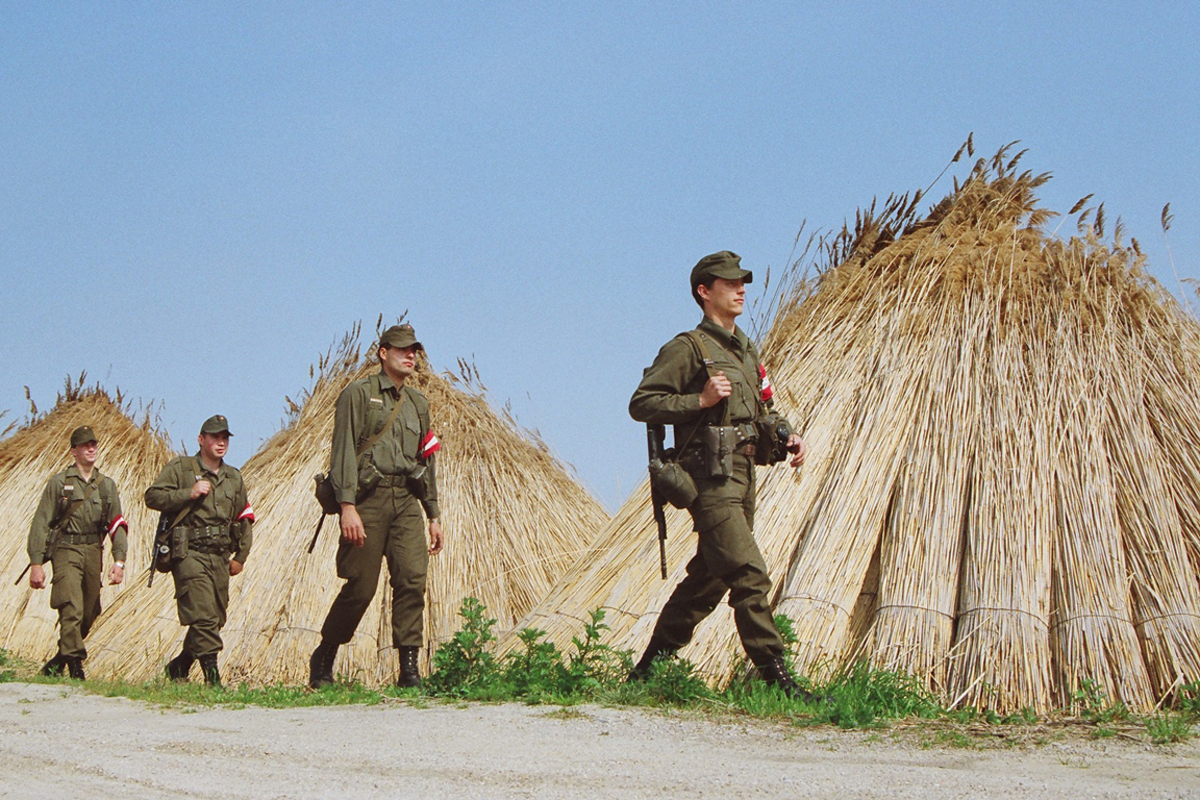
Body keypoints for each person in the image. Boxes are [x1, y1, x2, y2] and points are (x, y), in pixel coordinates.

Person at [628, 250, 811, 697]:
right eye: (730, 283)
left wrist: (785, 435)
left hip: (745, 475)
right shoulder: (688, 348)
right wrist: (700, 402)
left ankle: (646, 673)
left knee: (707, 581)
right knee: (749, 572)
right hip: (710, 478)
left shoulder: (745, 351)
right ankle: (778, 679)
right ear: (704, 292)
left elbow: (759, 410)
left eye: (743, 282)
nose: (741, 289)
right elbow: (643, 403)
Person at [309, 323, 444, 689]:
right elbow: (343, 453)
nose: (410, 355)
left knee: (412, 581)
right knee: (361, 587)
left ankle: (409, 670)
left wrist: (433, 514)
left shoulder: (418, 404)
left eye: (414, 349)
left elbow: (426, 462)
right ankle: (325, 655)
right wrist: (347, 506)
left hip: (406, 501)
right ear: (383, 353)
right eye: (402, 349)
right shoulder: (358, 394)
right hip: (368, 500)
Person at [145, 415, 253, 686]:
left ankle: (179, 667)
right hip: (189, 553)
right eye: (215, 437)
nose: (221, 443)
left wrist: (241, 555)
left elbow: (244, 516)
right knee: (203, 616)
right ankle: (212, 680)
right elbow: (153, 496)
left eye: (225, 438)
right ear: (201, 439)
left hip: (219, 555)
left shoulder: (233, 477)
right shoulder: (181, 468)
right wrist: (188, 493)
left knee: (215, 618)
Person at [26, 425, 128, 680]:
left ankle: (58, 661)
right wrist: (36, 563)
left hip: (93, 549)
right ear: (74, 451)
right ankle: (75, 669)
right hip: (66, 548)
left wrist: (120, 561)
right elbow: (40, 523)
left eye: (93, 444)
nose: (91, 448)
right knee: (70, 605)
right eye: (85, 445)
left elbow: (117, 523)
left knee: (90, 610)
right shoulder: (59, 483)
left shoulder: (106, 486)